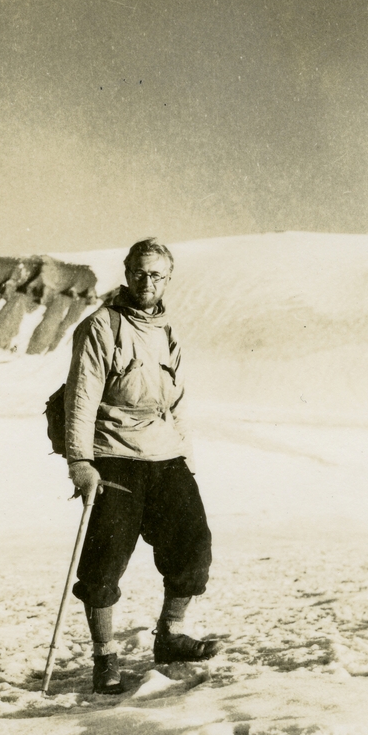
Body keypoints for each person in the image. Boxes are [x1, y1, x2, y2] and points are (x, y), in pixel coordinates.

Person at [65, 237, 217, 694]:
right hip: (114, 455)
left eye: (156, 274)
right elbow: (81, 398)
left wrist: (185, 454)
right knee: (105, 561)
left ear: (168, 278)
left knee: (193, 545)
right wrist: (80, 462)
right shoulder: (100, 326)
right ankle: (105, 657)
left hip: (165, 454)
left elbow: (178, 402)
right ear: (127, 274)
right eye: (139, 272)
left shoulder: (168, 331)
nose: (146, 282)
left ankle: (169, 637)